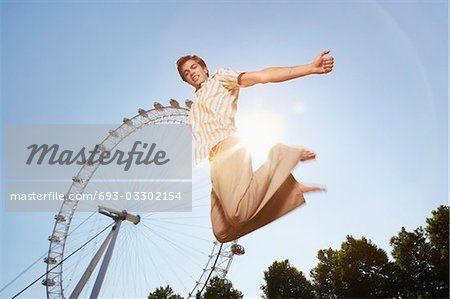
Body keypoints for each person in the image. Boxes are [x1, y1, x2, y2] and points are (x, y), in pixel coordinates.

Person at [176, 51, 334, 243]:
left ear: (205, 68)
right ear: (186, 80)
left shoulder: (219, 78)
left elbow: (263, 76)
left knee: (237, 214)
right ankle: (287, 189)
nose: (191, 72)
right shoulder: (193, 109)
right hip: (214, 164)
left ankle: (282, 156)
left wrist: (309, 68)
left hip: (228, 148)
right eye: (186, 73)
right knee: (222, 232)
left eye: (194, 67)